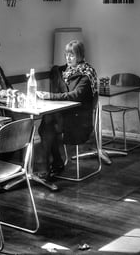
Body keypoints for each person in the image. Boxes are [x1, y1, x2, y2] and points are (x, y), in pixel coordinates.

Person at [37, 39, 98, 180]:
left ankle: (47, 166)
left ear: (80, 56)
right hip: (65, 116)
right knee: (48, 124)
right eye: (67, 55)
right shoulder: (63, 71)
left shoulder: (87, 73)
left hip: (80, 120)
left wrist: (50, 96)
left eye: (72, 55)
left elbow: (75, 95)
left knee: (47, 125)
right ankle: (49, 165)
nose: (68, 58)